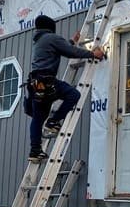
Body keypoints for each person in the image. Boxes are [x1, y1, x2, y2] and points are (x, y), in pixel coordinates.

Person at [27, 14, 105, 163]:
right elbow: (71, 52)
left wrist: (72, 41)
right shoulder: (51, 38)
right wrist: (92, 54)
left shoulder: (39, 40)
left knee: (37, 118)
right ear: (51, 27)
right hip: (47, 81)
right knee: (73, 95)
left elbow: (61, 47)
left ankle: (35, 150)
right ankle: (54, 121)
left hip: (36, 84)